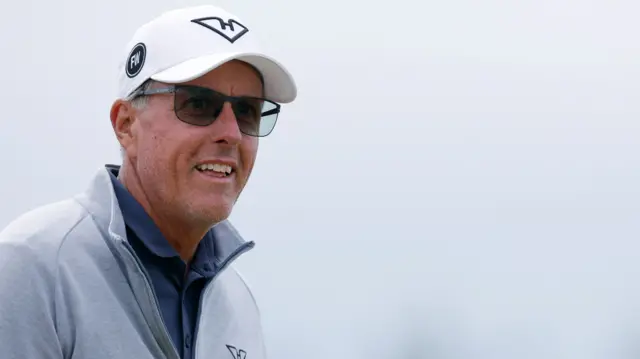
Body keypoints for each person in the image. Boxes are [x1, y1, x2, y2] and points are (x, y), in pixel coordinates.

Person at [0, 4, 296, 359]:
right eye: (199, 104)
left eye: (247, 111)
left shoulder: (238, 304)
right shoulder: (31, 267)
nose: (231, 133)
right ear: (126, 125)